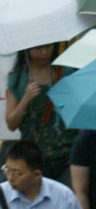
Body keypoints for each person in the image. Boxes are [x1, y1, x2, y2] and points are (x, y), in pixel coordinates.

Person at [5, 43, 77, 183]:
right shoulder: (18, 77)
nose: (44, 53)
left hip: (67, 156)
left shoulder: (65, 72)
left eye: (48, 47)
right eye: (38, 49)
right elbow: (11, 124)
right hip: (33, 160)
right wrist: (26, 99)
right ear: (27, 49)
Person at [0, 140, 95, 209]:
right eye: (7, 170)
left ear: (36, 174)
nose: (10, 177)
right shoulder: (2, 194)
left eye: (16, 173)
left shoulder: (64, 197)